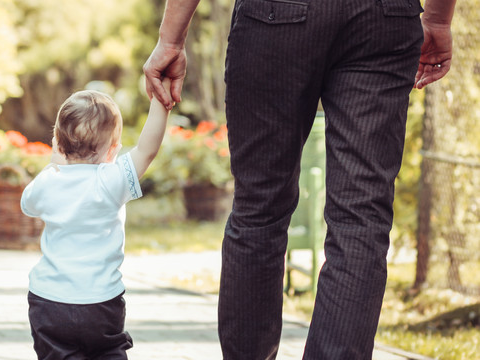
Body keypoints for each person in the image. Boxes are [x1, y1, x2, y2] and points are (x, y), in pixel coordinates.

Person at [143, 0, 456, 359]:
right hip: (383, 17)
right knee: (361, 220)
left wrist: (171, 39)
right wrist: (438, 17)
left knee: (259, 209)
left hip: (276, 16)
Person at [21, 80, 173, 359]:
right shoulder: (112, 181)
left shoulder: (47, 182)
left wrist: (55, 163)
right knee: (106, 352)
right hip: (100, 303)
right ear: (113, 150)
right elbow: (147, 149)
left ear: (57, 141)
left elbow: (28, 205)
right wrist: (160, 102)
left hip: (48, 302)